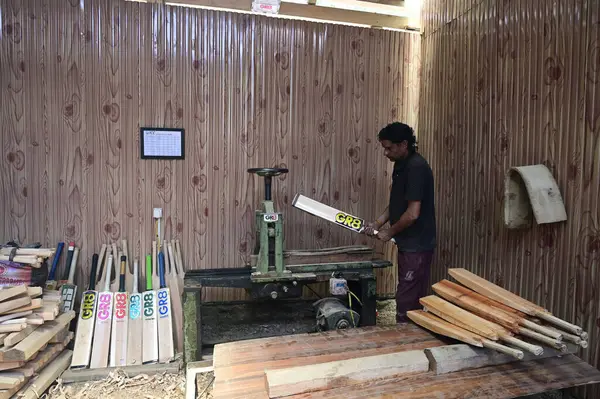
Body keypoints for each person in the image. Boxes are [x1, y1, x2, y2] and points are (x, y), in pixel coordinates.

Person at [364, 122, 436, 324]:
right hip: (407, 243)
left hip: (418, 244)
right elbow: (397, 203)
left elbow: (413, 213)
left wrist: (389, 232)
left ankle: (405, 341)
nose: (386, 153)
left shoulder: (416, 168)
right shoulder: (401, 165)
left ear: (404, 144)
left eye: (389, 148)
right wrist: (378, 223)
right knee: (407, 292)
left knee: (407, 299)